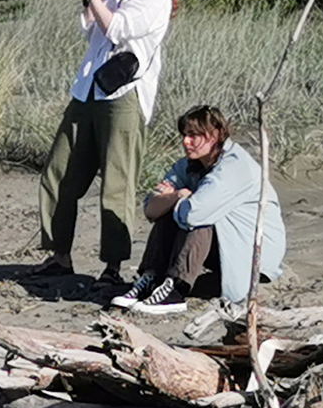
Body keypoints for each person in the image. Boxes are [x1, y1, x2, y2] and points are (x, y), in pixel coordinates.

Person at [35, 0, 177, 290]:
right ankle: (59, 255)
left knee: (117, 182)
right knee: (59, 172)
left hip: (123, 96)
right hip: (88, 90)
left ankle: (113, 267)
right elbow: (90, 29)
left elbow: (118, 29)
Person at [113, 104, 285, 315]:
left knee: (199, 219)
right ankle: (152, 279)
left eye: (194, 135)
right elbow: (150, 209)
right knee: (174, 210)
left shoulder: (234, 166)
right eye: (185, 135)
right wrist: (178, 195)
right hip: (224, 246)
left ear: (215, 135)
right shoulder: (189, 165)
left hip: (253, 254)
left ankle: (177, 288)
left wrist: (182, 199)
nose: (186, 141)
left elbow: (195, 214)